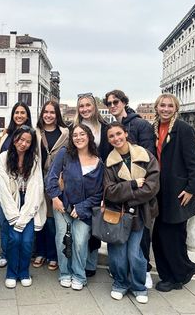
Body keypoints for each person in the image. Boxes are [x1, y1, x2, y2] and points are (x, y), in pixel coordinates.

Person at [103, 122, 160, 304]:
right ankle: (120, 283)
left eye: (119, 134)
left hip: (141, 213)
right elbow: (109, 191)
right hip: (118, 215)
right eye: (111, 136)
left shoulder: (145, 155)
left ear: (125, 133)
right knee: (118, 252)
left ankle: (138, 286)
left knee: (135, 253)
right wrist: (133, 184)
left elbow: (152, 186)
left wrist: (127, 196)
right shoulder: (110, 162)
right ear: (108, 140)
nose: (116, 138)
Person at [152, 93, 195, 292]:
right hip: (161, 193)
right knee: (160, 237)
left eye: (169, 106)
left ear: (175, 109)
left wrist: (191, 189)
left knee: (172, 237)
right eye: (162, 105)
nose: (165, 109)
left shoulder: (184, 129)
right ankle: (173, 275)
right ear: (157, 108)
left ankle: (180, 274)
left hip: (178, 193)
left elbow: (194, 163)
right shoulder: (154, 129)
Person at [46, 124, 104, 291]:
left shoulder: (98, 162)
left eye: (82, 134)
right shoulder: (65, 154)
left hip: (84, 211)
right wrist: (55, 197)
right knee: (62, 240)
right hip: (62, 206)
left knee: (79, 242)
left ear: (89, 137)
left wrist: (81, 207)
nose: (78, 137)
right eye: (75, 135)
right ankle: (65, 273)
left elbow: (100, 192)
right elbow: (51, 177)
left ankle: (79, 275)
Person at [0, 125, 46, 288]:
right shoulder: (4, 157)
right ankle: (11, 272)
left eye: (28, 141)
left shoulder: (34, 159)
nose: (23, 143)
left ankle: (24, 271)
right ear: (15, 139)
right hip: (11, 201)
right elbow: (3, 188)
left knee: (26, 240)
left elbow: (37, 189)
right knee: (13, 238)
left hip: (29, 202)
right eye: (21, 139)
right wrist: (14, 214)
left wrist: (24, 216)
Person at [0, 102, 33, 269]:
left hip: (25, 185)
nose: (19, 115)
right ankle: (5, 253)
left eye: (23, 112)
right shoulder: (6, 134)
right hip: (6, 183)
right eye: (16, 112)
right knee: (4, 220)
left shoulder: (32, 134)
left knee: (25, 219)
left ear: (27, 115)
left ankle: (23, 254)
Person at [74, 93, 110, 276]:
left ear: (95, 107)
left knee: (96, 223)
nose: (85, 109)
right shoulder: (73, 128)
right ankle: (79, 261)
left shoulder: (105, 128)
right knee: (81, 224)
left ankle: (91, 263)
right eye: (81, 106)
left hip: (99, 181)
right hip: (79, 182)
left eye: (88, 105)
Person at [33, 100, 69, 271]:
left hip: (57, 182)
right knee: (40, 218)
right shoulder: (36, 133)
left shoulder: (65, 133)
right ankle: (40, 252)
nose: (48, 115)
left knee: (53, 221)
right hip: (38, 181)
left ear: (57, 115)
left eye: (52, 112)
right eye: (45, 112)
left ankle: (53, 254)